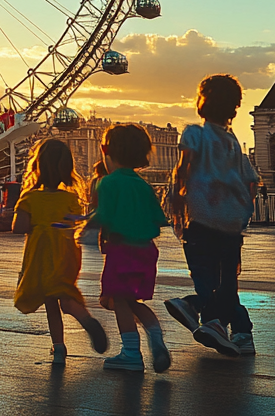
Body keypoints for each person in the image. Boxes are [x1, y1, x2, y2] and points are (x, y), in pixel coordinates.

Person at [163, 74, 260, 358]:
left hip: (203, 215)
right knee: (227, 277)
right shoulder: (234, 145)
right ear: (235, 108)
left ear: (201, 102)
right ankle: (241, 331)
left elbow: (184, 167)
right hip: (231, 220)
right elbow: (252, 182)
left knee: (204, 272)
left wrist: (178, 197)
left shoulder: (194, 133)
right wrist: (242, 208)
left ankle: (200, 310)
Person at [12, 138, 108, 365]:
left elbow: (20, 227)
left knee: (52, 303)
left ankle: (60, 345)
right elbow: (72, 223)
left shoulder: (29, 198)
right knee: (64, 292)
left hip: (40, 255)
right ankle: (82, 321)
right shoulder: (70, 198)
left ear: (37, 167)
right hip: (65, 253)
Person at [87, 124, 170, 373]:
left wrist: (86, 229)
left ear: (105, 150)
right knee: (132, 300)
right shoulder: (143, 185)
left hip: (121, 248)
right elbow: (159, 219)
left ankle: (131, 352)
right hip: (146, 250)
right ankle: (155, 335)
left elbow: (103, 214)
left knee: (119, 300)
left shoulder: (108, 183)